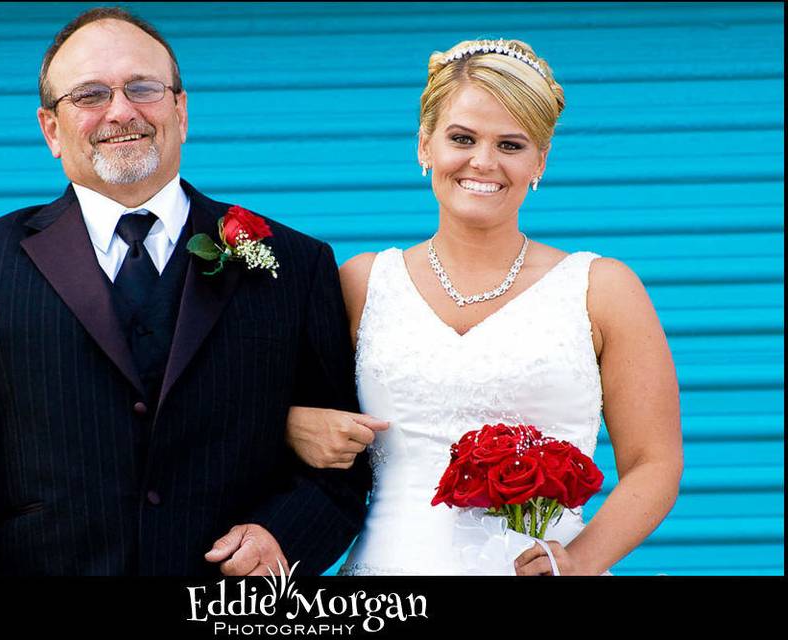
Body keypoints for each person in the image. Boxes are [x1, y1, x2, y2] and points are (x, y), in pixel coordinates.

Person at [0, 7, 370, 576]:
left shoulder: (296, 263)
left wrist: (283, 535)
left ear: (181, 111)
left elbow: (342, 465)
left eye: (143, 87)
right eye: (89, 95)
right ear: (51, 130)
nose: (121, 110)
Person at [284, 39, 683, 575]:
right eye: (462, 138)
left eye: (511, 145)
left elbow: (654, 463)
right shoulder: (361, 282)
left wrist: (581, 562)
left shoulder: (602, 288)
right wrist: (288, 422)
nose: (483, 161)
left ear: (540, 160)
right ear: (424, 145)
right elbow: (278, 414)